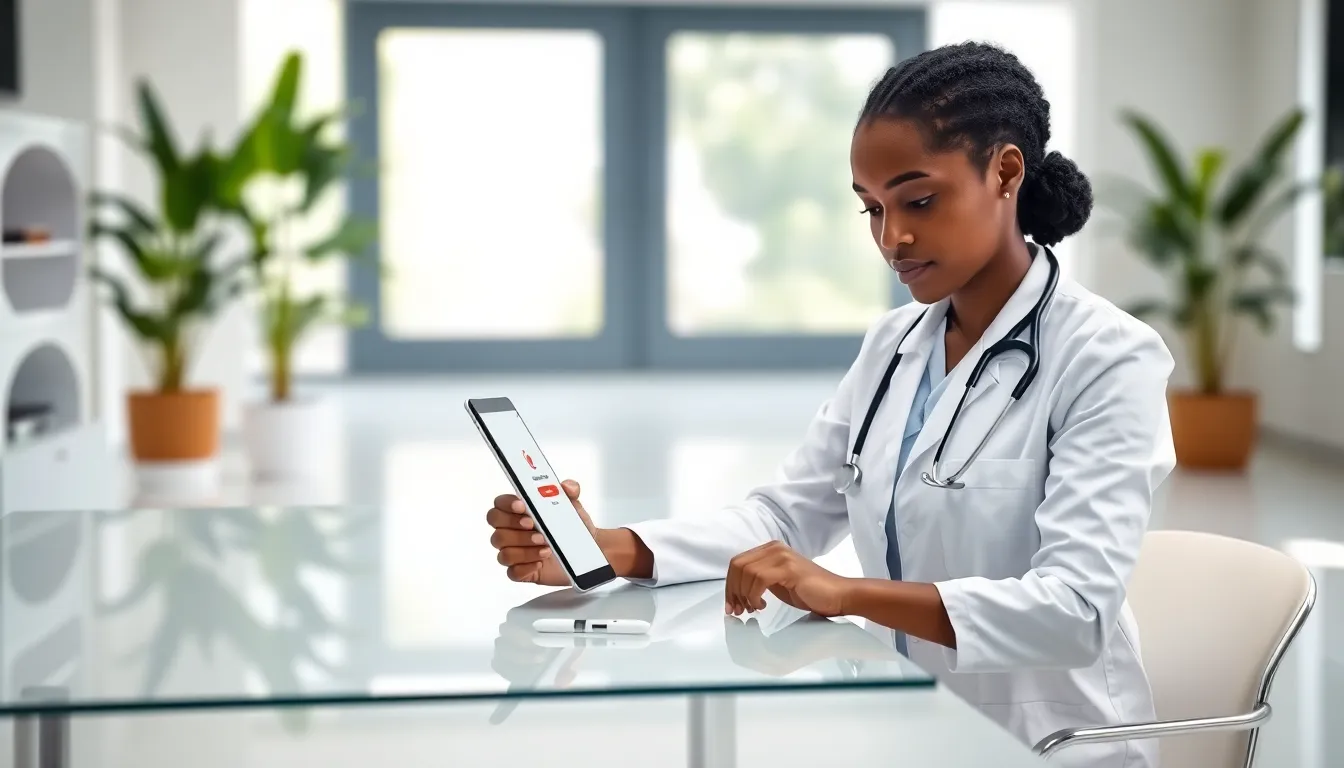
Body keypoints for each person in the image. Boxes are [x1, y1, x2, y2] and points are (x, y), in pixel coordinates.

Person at [485, 41, 1174, 768]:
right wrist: (603, 550)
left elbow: (1075, 612)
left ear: (1005, 172)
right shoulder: (895, 344)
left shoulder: (1107, 357)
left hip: (1050, 747)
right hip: (910, 733)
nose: (892, 237)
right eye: (872, 209)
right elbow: (783, 518)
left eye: (919, 200)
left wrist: (846, 592)